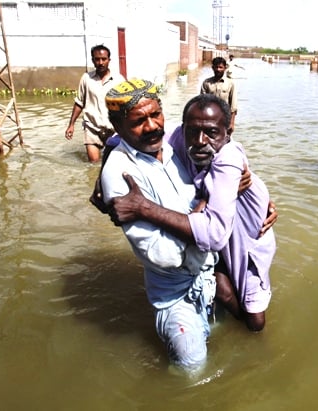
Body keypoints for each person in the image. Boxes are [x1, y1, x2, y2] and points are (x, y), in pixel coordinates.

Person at [110, 94, 276, 332]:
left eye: (211, 132)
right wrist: (107, 164)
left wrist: (142, 207)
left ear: (228, 133)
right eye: (192, 131)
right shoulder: (180, 136)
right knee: (223, 283)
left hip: (247, 239)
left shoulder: (228, 158)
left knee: (255, 320)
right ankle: (223, 304)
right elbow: (126, 138)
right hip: (221, 227)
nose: (199, 141)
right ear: (183, 127)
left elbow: (214, 236)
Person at [100, 79, 218, 371]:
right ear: (117, 125)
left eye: (156, 114)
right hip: (174, 290)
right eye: (139, 121)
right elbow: (162, 254)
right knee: (192, 365)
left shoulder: (177, 146)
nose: (152, 126)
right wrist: (204, 220)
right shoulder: (119, 174)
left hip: (211, 272)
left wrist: (256, 195)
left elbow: (224, 167)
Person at [65, 44, 125, 163]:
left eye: (104, 59)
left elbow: (126, 105)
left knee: (112, 163)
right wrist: (71, 124)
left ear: (109, 60)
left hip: (113, 129)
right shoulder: (86, 78)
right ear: (93, 60)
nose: (101, 62)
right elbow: (79, 103)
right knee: (93, 164)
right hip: (92, 128)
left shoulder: (119, 80)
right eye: (97, 59)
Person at [200, 57, 238, 134]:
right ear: (212, 68)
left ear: (225, 68)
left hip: (224, 120)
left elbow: (233, 106)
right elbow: (202, 103)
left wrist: (232, 123)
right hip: (209, 119)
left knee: (224, 142)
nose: (218, 69)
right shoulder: (206, 83)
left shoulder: (230, 83)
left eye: (220, 67)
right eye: (216, 67)